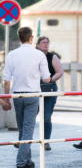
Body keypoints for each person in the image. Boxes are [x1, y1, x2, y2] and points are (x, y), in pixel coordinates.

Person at [1, 27, 51, 168]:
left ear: (19, 39)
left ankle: (28, 161)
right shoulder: (39, 55)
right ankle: (21, 162)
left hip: (17, 95)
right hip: (33, 95)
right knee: (28, 130)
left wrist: (6, 100)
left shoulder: (11, 54)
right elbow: (47, 79)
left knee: (23, 130)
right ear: (31, 38)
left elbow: (6, 80)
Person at [35, 36, 64, 151]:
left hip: (49, 88)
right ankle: (23, 140)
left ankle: (46, 141)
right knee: (30, 116)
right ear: (37, 45)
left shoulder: (52, 57)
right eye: (43, 42)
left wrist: (50, 80)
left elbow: (60, 72)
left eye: (47, 42)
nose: (46, 44)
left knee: (46, 117)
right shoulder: (33, 55)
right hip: (34, 88)